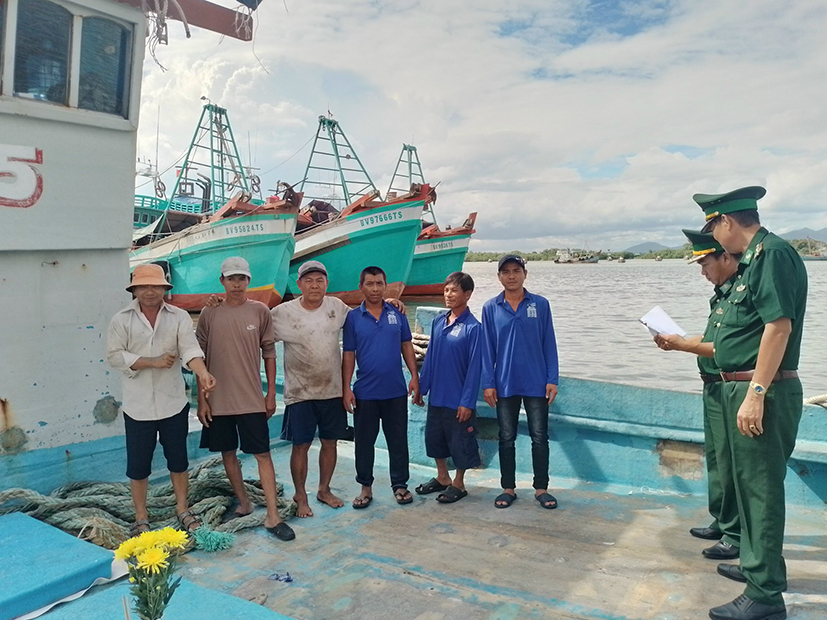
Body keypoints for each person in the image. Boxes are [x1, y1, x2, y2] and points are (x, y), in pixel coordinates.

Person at [698, 187, 807, 620]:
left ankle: (765, 596)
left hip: (762, 389)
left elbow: (778, 327)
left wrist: (757, 393)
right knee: (746, 485)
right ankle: (755, 567)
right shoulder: (754, 259)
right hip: (741, 388)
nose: (715, 241)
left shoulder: (773, 255)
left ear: (725, 221)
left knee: (760, 492)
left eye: (713, 229)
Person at [106, 264, 216, 535]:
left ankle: (182, 508)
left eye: (156, 286)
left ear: (165, 289)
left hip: (172, 403)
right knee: (138, 466)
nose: (150, 291)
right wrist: (150, 362)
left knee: (178, 461)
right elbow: (114, 356)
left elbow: (189, 348)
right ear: (134, 290)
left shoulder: (178, 317)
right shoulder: (121, 320)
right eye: (143, 286)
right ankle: (141, 516)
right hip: (137, 406)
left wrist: (202, 373)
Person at [654, 230, 741, 564]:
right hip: (714, 385)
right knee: (718, 461)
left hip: (731, 385)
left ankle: (735, 534)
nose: (703, 271)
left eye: (705, 263)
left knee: (734, 465)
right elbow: (712, 337)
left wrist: (683, 344)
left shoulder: (740, 294)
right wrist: (682, 341)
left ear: (725, 256)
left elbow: (729, 346)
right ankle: (722, 520)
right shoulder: (722, 295)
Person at [196, 257, 295, 541]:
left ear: (248, 281)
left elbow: (270, 353)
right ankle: (244, 501)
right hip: (218, 400)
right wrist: (203, 401)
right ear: (222, 281)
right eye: (231, 279)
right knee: (227, 453)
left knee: (262, 454)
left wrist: (270, 394)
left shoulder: (261, 311)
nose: (236, 284)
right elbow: (198, 359)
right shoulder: (209, 313)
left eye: (241, 278)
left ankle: (272, 515)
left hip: (252, 399)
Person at [271, 260, 351, 518]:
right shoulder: (282, 313)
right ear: (299, 285)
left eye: (319, 280)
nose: (314, 285)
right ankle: (300, 494)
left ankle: (324, 490)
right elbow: (254, 330)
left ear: (327, 284)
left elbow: (365, 319)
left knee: (330, 442)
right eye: (309, 280)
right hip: (300, 392)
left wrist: (390, 304)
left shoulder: (337, 307)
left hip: (332, 390)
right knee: (301, 445)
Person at [481, 254, 559, 510]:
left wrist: (552, 378)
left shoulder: (540, 304)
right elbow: (487, 349)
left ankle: (541, 488)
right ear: (499, 277)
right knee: (506, 437)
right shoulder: (491, 307)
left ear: (525, 273)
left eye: (516, 270)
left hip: (537, 382)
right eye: (506, 272)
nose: (511, 276)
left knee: (539, 437)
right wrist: (488, 383)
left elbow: (549, 343)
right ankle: (508, 488)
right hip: (504, 383)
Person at [342, 266, 420, 508]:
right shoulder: (353, 318)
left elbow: (407, 345)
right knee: (364, 443)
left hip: (396, 390)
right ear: (361, 287)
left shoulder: (397, 313)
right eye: (369, 284)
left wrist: (414, 377)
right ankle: (365, 487)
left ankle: (400, 486)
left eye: (379, 283)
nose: (375, 288)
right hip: (365, 392)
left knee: (398, 441)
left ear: (385, 286)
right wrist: (346, 388)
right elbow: (348, 355)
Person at [414, 272, 482, 503]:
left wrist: (467, 402)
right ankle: (442, 477)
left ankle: (459, 483)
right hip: (438, 396)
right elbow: (431, 357)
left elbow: (475, 369)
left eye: (454, 290)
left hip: (458, 398)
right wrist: (422, 388)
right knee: (436, 439)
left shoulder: (474, 328)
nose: (448, 295)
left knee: (460, 442)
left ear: (467, 294)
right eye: (446, 290)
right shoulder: (438, 322)